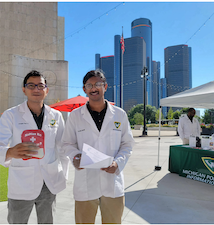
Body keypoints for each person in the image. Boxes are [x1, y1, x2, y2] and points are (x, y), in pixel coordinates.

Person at [61, 70, 135, 224]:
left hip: (112, 183)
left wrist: (118, 163)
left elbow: (127, 144)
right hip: (85, 182)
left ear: (105, 86)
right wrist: (75, 157)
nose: (94, 88)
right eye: (89, 85)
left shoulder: (119, 115)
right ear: (84, 89)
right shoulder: (75, 116)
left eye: (98, 84)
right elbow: (67, 143)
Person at [0, 70, 68, 224]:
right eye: (31, 85)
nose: (36, 89)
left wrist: (63, 174)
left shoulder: (56, 116)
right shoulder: (11, 115)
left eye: (40, 85)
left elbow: (63, 147)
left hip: (49, 182)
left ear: (46, 90)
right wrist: (9, 152)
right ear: (24, 89)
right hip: (21, 182)